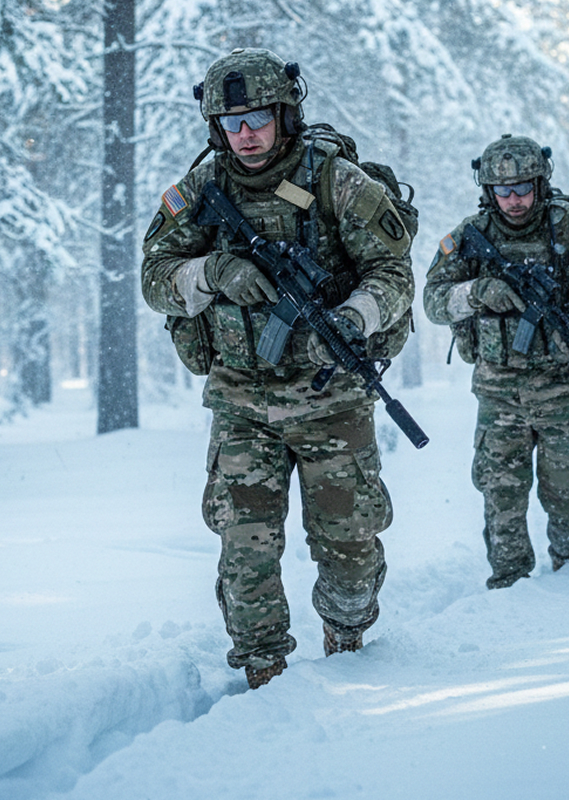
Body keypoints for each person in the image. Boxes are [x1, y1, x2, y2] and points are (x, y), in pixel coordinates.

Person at [140, 48, 415, 689]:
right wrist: (212, 272)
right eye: (230, 123)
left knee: (350, 548)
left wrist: (354, 318)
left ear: (286, 114)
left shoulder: (338, 182)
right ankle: (263, 671)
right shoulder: (200, 190)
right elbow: (155, 278)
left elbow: (393, 273)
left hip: (332, 399)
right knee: (245, 547)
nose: (245, 134)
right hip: (241, 400)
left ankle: (348, 636)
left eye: (257, 118)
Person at [423, 134, 569, 589]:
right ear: (488, 191)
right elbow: (433, 302)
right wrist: (477, 293)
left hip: (564, 390)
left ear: (540, 184)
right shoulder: (469, 237)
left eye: (522, 189)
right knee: (502, 495)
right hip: (498, 392)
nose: (514, 200)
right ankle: (509, 586)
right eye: (503, 191)